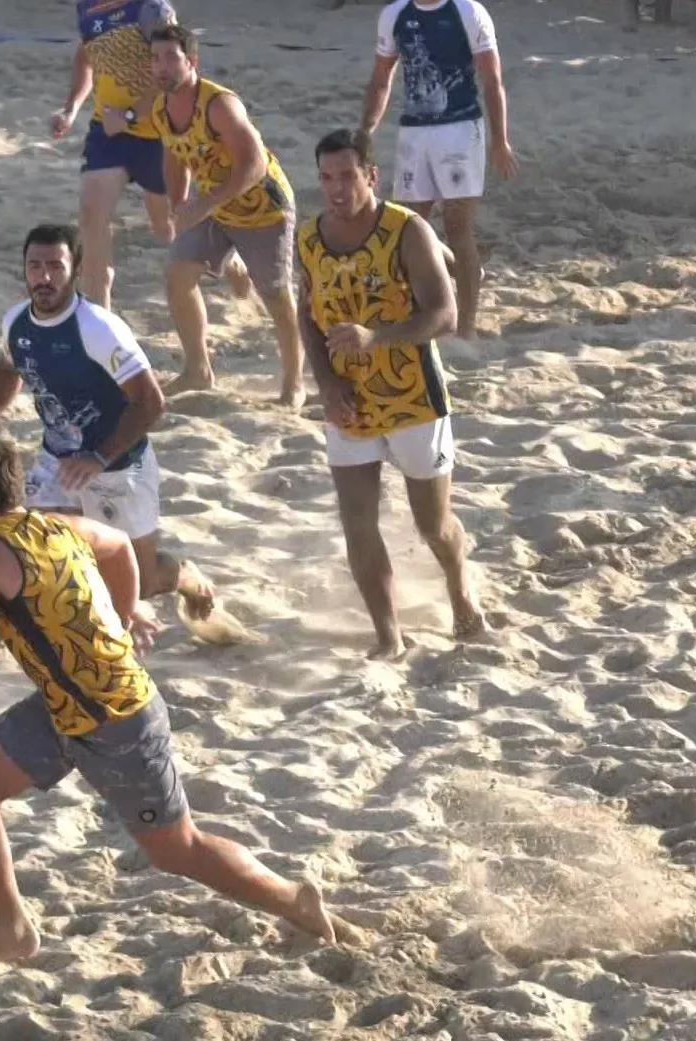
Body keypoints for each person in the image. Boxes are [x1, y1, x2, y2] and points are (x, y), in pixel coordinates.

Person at [0, 434, 340, 969]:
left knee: (176, 849)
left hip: (117, 719)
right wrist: (123, 614)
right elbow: (118, 547)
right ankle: (12, 930)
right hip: (61, 707)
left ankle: (291, 898)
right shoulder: (55, 523)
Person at [296, 129, 485, 660]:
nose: (336, 189)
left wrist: (375, 336)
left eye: (347, 176)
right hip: (348, 403)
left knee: (433, 524)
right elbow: (307, 318)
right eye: (327, 178)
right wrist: (326, 384)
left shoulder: (407, 230)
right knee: (358, 521)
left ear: (371, 176)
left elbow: (444, 315)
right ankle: (388, 636)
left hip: (413, 398)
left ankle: (459, 587)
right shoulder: (309, 239)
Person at [0, 222, 216, 620]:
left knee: (140, 582)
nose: (44, 277)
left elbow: (151, 403)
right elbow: (8, 369)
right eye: (35, 266)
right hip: (57, 460)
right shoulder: (16, 322)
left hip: (117, 465)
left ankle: (186, 576)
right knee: (41, 551)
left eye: (55, 267)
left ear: (77, 269)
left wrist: (97, 458)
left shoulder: (98, 329)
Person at [50, 0, 252, 309]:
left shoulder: (150, 8)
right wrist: (71, 107)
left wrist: (130, 115)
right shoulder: (87, 7)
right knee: (91, 218)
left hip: (158, 133)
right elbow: (86, 56)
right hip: (108, 132)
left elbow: (173, 78)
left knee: (167, 225)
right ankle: (100, 319)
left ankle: (231, 261)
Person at [149, 24, 306, 405]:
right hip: (216, 208)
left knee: (276, 296)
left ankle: (294, 384)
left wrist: (205, 204)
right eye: (155, 58)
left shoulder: (219, 105)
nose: (162, 66)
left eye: (171, 57)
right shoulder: (161, 107)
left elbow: (253, 165)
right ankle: (198, 370)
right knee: (177, 275)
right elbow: (174, 157)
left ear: (192, 61)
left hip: (263, 208)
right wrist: (178, 205)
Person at [359, 0, 518, 340]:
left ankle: (467, 330)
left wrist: (499, 140)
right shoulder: (394, 15)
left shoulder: (468, 12)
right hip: (414, 132)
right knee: (410, 227)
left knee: (456, 225)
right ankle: (461, 274)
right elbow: (381, 80)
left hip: (460, 129)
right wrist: (366, 131)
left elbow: (492, 80)